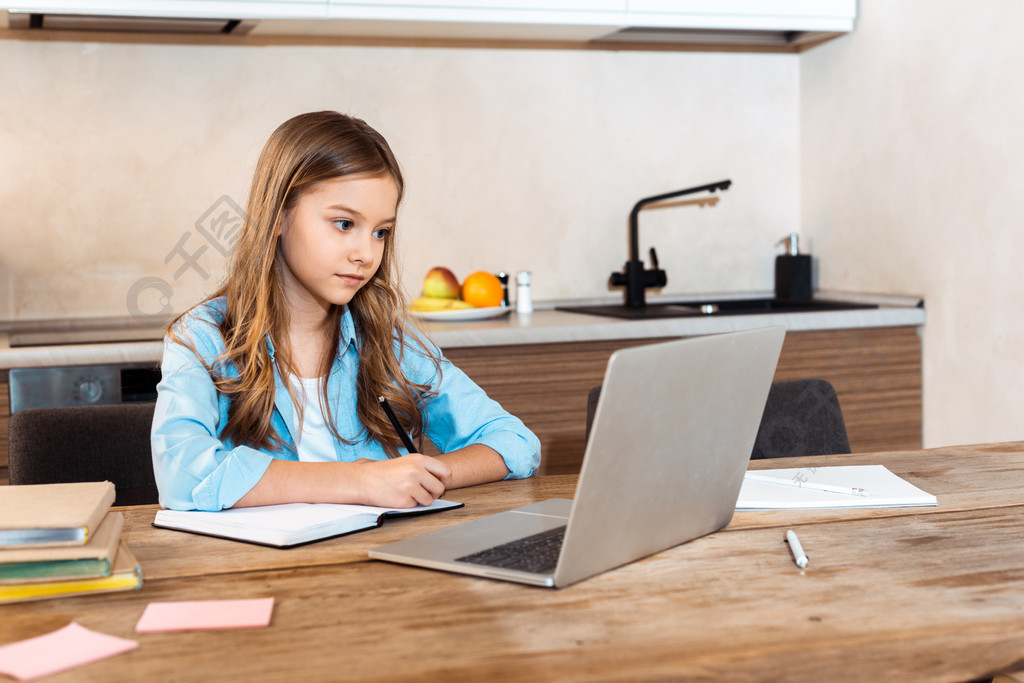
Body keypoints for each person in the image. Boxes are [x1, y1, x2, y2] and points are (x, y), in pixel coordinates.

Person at [151, 111, 541, 512]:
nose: (366, 254)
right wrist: (359, 480)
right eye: (343, 223)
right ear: (279, 215)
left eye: (380, 232)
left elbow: (514, 441)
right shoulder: (202, 337)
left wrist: (416, 478)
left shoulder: (387, 340)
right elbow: (182, 476)